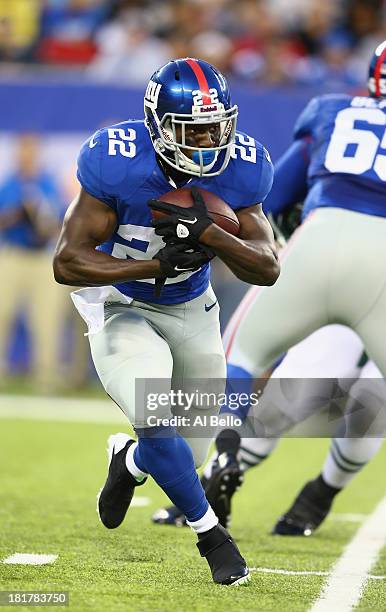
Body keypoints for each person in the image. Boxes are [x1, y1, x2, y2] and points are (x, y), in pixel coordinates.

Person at [53, 57, 279, 586]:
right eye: (193, 129)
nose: (209, 140)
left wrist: (212, 235)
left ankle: (128, 462)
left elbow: (267, 266)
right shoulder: (116, 159)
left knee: (188, 444)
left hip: (192, 307)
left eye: (217, 125)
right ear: (158, 125)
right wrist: (154, 264)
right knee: (155, 413)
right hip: (121, 301)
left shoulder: (244, 165)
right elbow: (67, 261)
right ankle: (212, 537)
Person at [152, 40, 386, 531]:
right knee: (375, 399)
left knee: (242, 359)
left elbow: (275, 195)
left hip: (318, 242)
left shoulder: (332, 110)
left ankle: (217, 462)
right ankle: (320, 494)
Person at [153, 324, 384, 532]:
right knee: (278, 404)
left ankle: (322, 493)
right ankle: (210, 483)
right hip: (352, 304)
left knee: (372, 409)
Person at [0, 133, 66, 392]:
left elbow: (58, 224)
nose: (27, 156)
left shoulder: (48, 184)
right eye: (23, 151)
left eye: (31, 151)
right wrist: (17, 213)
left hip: (42, 257)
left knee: (47, 318)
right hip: (14, 254)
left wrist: (38, 217)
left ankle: (46, 377)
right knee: (2, 313)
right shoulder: (9, 184)